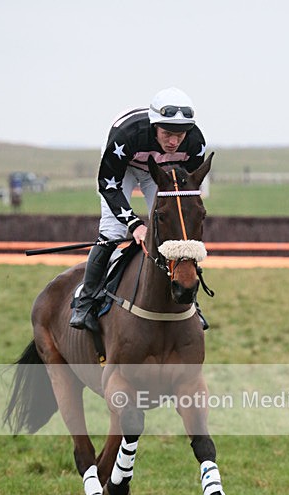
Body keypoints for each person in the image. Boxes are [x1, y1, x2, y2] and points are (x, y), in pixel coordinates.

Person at [70, 87, 207, 330]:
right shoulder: (126, 135)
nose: (174, 142)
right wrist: (134, 224)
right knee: (112, 233)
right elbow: (108, 186)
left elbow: (186, 195)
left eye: (181, 135)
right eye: (167, 134)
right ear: (155, 126)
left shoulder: (195, 143)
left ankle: (190, 301)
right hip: (123, 168)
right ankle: (86, 301)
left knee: (177, 233)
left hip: (158, 172)